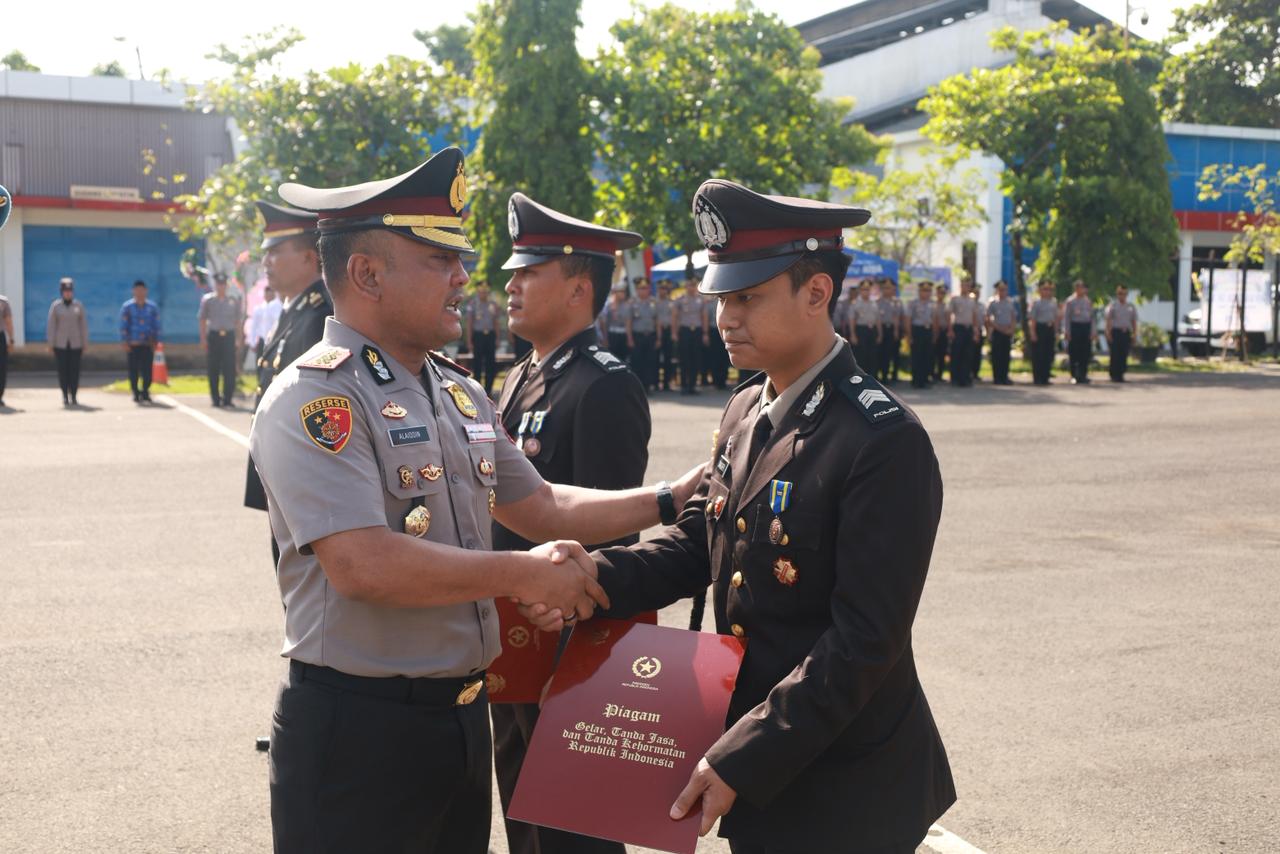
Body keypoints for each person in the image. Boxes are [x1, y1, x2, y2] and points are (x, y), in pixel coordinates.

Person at [257, 148, 700, 854]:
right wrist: (524, 574)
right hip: (359, 735)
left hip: (460, 719)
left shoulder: (456, 391)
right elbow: (364, 565)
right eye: (440, 259)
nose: (464, 276)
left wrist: (671, 499)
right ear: (367, 274)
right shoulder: (317, 396)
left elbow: (543, 506)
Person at [524, 179, 954, 854]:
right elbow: (700, 539)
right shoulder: (747, 408)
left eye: (747, 297)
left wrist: (743, 754)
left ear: (816, 293)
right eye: (722, 297)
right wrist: (593, 576)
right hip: (756, 756)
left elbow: (866, 640)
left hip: (846, 782)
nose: (725, 317)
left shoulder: (881, 439)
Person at [494, 190, 649, 854]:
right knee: (523, 816)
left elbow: (611, 540)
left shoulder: (603, 385)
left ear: (579, 289)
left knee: (576, 832)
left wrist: (581, 663)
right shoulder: (519, 378)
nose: (511, 284)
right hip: (512, 637)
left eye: (529, 273)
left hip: (569, 646)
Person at [244, 200, 332, 545]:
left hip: (302, 482)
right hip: (283, 477)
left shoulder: (320, 318)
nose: (266, 262)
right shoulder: (293, 311)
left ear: (309, 258)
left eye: (276, 252)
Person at [198, 274, 243, 407]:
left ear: (226, 286)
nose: (221, 287)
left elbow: (238, 321)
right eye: (219, 284)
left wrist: (239, 338)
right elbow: (202, 319)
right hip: (214, 336)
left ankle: (228, 398)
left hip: (229, 336)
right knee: (213, 368)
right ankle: (215, 398)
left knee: (229, 368)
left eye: (223, 284)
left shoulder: (233, 300)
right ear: (215, 285)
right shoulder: (208, 300)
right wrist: (203, 338)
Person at [47, 277, 88, 407]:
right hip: (60, 344)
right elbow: (51, 326)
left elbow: (83, 326)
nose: (68, 293)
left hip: (76, 344)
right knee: (63, 370)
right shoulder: (56, 306)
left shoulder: (78, 306)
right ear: (62, 292)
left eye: (70, 291)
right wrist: (51, 344)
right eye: (65, 291)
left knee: (74, 370)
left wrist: (85, 343)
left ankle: (74, 395)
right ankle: (65, 395)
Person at [119, 280, 161, 403]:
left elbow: (156, 325)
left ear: (146, 291)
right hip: (133, 344)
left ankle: (145, 391)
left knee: (147, 370)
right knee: (133, 370)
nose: (140, 292)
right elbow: (123, 325)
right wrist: (124, 341)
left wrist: (156, 341)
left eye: (142, 290)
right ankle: (135, 392)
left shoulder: (152, 307)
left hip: (148, 344)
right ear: (133, 291)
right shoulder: (127, 307)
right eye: (137, 290)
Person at [464, 281, 502, 396]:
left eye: (486, 292)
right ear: (478, 291)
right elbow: (469, 323)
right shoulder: (472, 304)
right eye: (481, 292)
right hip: (478, 336)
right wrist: (469, 340)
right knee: (477, 364)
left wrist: (498, 338)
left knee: (491, 363)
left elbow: (496, 322)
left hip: (490, 335)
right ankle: (477, 390)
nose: (484, 294)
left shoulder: (493, 304)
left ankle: (489, 390)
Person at [671, 276, 708, 394]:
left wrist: (705, 333)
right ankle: (684, 385)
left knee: (696, 359)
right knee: (684, 359)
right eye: (689, 285)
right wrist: (674, 332)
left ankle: (692, 385)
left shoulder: (701, 300)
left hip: (697, 331)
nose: (691, 288)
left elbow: (704, 317)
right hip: (684, 330)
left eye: (693, 285)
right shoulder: (680, 300)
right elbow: (675, 317)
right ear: (686, 287)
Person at [627, 277, 661, 393]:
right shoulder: (632, 303)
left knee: (650, 361)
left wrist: (659, 338)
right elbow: (629, 322)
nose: (644, 291)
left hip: (650, 336)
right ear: (637, 290)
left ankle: (647, 386)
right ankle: (638, 387)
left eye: (646, 288)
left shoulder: (654, 302)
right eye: (641, 288)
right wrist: (630, 339)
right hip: (637, 336)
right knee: (637, 361)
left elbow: (657, 321)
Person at [948, 280, 981, 387]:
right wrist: (950, 329)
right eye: (963, 285)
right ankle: (955, 378)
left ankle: (965, 378)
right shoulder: (955, 299)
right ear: (960, 286)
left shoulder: (972, 300)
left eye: (967, 286)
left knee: (968, 354)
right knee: (956, 353)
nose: (965, 287)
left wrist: (975, 331)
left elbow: (974, 316)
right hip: (958, 328)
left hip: (968, 329)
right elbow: (950, 314)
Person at [1062, 279, 1096, 384]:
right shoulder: (1070, 301)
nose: (1083, 290)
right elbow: (1066, 317)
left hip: (1085, 327)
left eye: (1083, 288)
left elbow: (1092, 317)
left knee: (1085, 352)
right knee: (1074, 352)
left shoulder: (1087, 301)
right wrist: (1067, 331)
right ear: (1076, 288)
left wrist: (1093, 331)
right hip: (1075, 327)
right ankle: (1074, 375)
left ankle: (1083, 375)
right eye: (1080, 287)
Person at [985, 280, 1017, 385]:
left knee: (1005, 355)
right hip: (997, 332)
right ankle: (997, 377)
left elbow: (1013, 317)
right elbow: (988, 318)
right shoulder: (993, 302)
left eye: (1004, 289)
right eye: (1001, 289)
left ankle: (1004, 376)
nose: (1003, 291)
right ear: (997, 290)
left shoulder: (1010, 302)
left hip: (1007, 332)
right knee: (997, 356)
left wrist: (1012, 329)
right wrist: (998, 328)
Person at [1105, 284, 1138, 382]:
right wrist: (1108, 333)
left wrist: (1134, 334)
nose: (1122, 296)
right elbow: (1108, 320)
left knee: (1124, 354)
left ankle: (1121, 374)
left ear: (1126, 295)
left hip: (1126, 332)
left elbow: (1134, 321)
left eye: (1124, 294)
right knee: (1115, 354)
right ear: (1117, 294)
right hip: (1116, 332)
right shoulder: (1113, 306)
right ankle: (1114, 374)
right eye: (1120, 293)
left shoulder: (1130, 307)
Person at [1028, 280, 1059, 385]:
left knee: (1048, 354)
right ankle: (1038, 378)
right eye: (1045, 289)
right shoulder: (1036, 303)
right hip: (1040, 329)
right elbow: (1032, 319)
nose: (1047, 291)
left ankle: (1045, 377)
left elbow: (1056, 318)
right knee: (1039, 355)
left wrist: (1056, 332)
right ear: (1040, 291)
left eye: (1049, 289)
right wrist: (1033, 333)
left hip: (1050, 329)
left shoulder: (1053, 302)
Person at [848, 280, 880, 375]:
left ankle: (872, 376)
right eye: (863, 289)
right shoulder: (855, 303)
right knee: (861, 355)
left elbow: (877, 319)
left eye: (867, 289)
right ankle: (862, 376)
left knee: (872, 354)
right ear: (860, 290)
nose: (866, 291)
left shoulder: (874, 303)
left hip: (872, 330)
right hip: (861, 330)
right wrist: (853, 334)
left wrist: (880, 333)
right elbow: (852, 320)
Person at [907, 280, 936, 389]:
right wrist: (909, 335)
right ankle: (916, 380)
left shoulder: (932, 304)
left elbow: (934, 319)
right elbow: (908, 319)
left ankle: (925, 379)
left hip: (928, 331)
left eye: (928, 291)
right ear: (919, 291)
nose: (926, 293)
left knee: (927, 356)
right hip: (917, 331)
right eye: (924, 291)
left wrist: (934, 334)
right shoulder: (913, 303)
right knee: (917, 356)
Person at [876, 278, 904, 384]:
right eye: (885, 288)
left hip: (894, 329)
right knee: (882, 353)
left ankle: (894, 376)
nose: (887, 290)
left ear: (894, 289)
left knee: (894, 353)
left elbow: (901, 317)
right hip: (881, 329)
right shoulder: (877, 302)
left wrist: (899, 331)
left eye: (890, 288)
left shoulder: (898, 302)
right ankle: (882, 376)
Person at [248, 285, 283, 360]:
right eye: (267, 293)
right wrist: (252, 342)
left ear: (274, 293)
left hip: (274, 339)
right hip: (262, 339)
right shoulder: (259, 308)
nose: (268, 295)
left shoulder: (279, 306)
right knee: (260, 361)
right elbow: (254, 326)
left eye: (270, 292)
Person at [599, 286, 630, 363]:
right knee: (613, 357)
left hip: (623, 334)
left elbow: (628, 323)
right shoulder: (608, 305)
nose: (623, 294)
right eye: (621, 292)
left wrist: (629, 338)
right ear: (615, 293)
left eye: (624, 292)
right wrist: (605, 338)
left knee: (624, 357)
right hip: (612, 334)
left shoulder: (627, 305)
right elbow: (604, 323)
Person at [656, 280, 676, 391]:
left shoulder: (671, 302)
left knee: (668, 358)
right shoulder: (654, 302)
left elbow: (674, 319)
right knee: (655, 358)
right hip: (656, 332)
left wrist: (673, 333)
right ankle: (655, 382)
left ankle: (666, 383)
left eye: (664, 289)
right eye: (661, 288)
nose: (662, 291)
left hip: (668, 331)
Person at [933, 285, 949, 382]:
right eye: (940, 293)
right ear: (936, 293)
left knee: (942, 354)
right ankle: (931, 374)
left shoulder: (946, 306)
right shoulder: (932, 305)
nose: (941, 295)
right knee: (932, 354)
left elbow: (948, 319)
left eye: (943, 293)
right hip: (934, 331)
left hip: (943, 331)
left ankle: (939, 374)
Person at [0, 291, 13, 407]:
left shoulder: (3, 302)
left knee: (1, 367)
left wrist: (11, 339)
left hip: (0, 337)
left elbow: (8, 321)